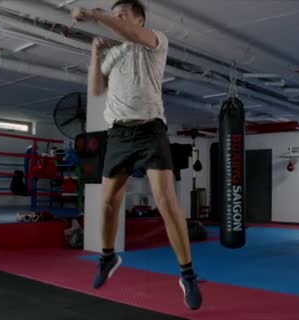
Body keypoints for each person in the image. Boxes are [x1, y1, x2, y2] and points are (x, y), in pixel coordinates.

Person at [71, 0, 203, 311]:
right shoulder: (115, 54)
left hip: (150, 131)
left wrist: (93, 14)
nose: (116, 20)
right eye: (114, 15)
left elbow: (126, 32)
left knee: (167, 203)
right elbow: (95, 89)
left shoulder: (154, 42)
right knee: (106, 203)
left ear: (139, 20)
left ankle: (188, 275)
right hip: (118, 134)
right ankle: (107, 257)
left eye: (122, 16)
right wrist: (95, 54)